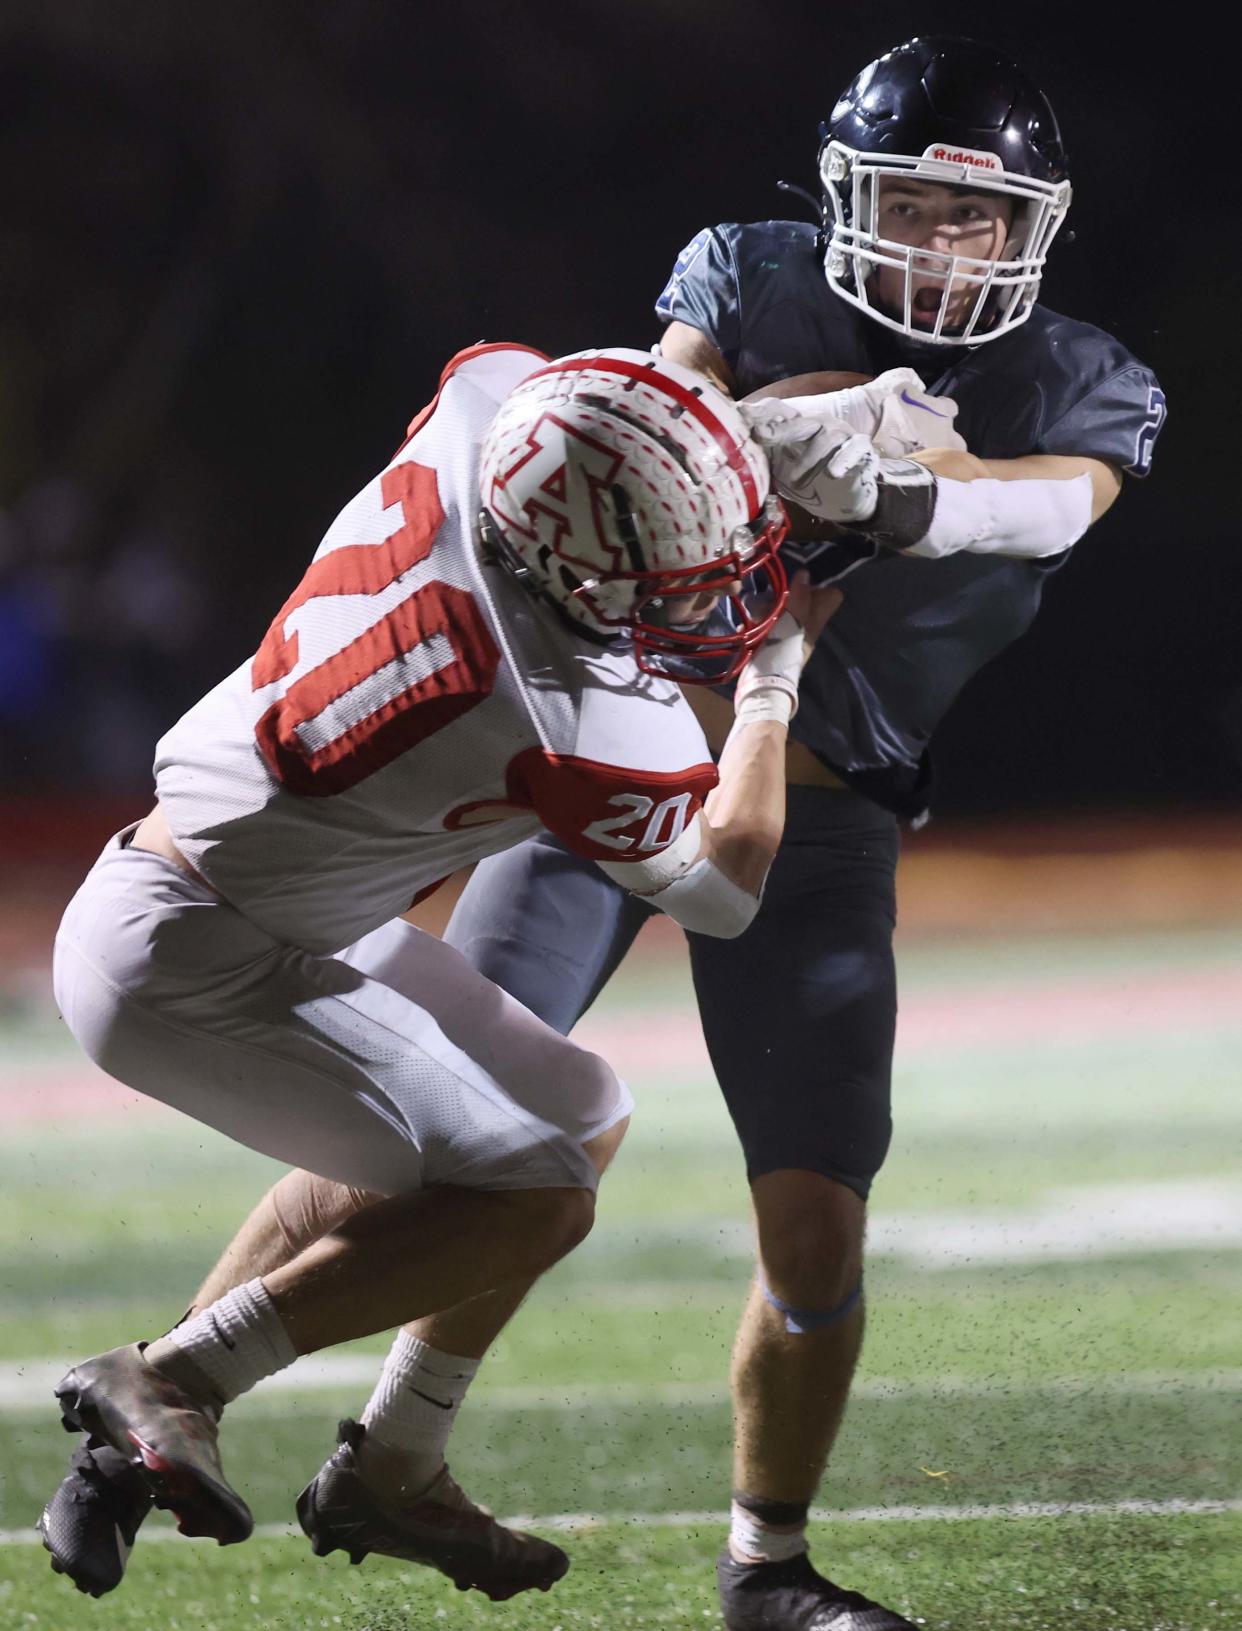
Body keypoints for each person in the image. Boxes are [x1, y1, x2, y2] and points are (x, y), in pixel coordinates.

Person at [42, 34, 1168, 1630]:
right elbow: (643, 430)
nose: (935, 246)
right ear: (848, 196)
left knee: (811, 1218)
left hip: (818, 823)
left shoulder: (1084, 382)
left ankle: (756, 1566)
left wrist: (924, 492)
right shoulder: (750, 283)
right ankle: (161, 1412)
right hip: (600, 785)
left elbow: (1051, 502)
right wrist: (785, 432)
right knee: (453, 1137)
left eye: (972, 222)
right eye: (910, 206)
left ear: (1029, 232)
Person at [37, 342, 842, 1600]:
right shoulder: (570, 710)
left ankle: (375, 1460)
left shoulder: (483, 410)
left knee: (580, 1108)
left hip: (238, 895)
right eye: (667, 570)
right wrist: (775, 676)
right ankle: (179, 1382)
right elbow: (728, 889)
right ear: (578, 568)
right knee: (541, 1191)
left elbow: (613, 402)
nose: (698, 591)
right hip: (202, 960)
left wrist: (760, 439)